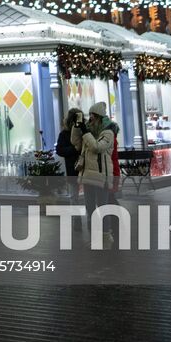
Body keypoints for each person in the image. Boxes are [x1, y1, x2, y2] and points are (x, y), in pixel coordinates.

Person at [74, 101, 118, 245]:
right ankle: (94, 234)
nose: (90, 118)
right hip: (87, 175)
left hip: (101, 175)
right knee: (90, 207)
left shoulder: (108, 132)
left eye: (92, 115)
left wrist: (85, 132)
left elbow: (97, 147)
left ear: (98, 116)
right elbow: (75, 142)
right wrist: (77, 127)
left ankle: (106, 235)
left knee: (103, 207)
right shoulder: (89, 132)